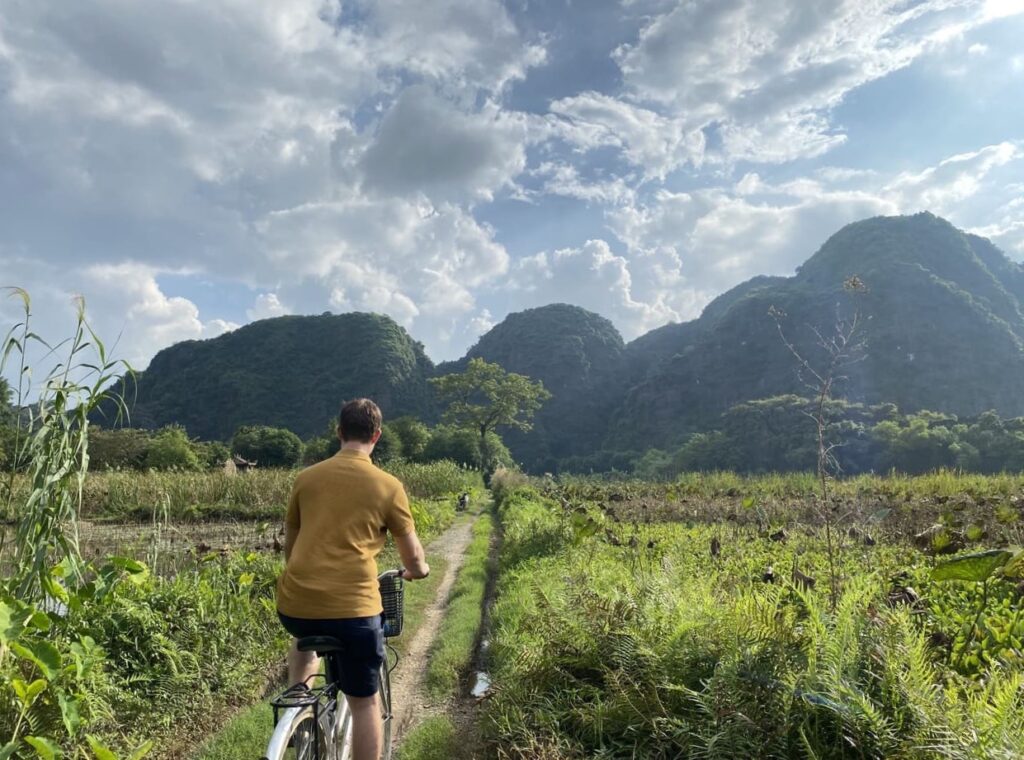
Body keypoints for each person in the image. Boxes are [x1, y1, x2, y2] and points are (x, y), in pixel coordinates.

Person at [276, 398, 430, 760]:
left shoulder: (306, 479)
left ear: (339, 432)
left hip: (296, 604)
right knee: (364, 703)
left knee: (304, 639)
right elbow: (415, 558)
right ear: (376, 435)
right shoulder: (388, 486)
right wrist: (417, 571)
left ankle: (298, 701)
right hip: (354, 610)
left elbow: (292, 548)